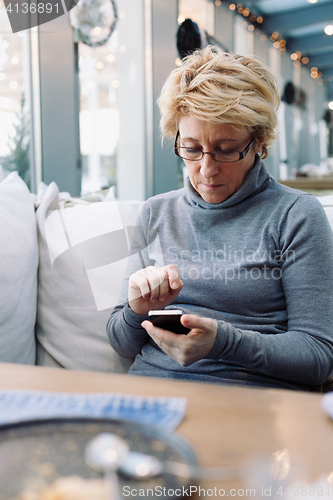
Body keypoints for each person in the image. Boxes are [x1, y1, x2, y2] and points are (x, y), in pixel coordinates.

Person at [107, 46, 333, 391]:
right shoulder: (155, 212)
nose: (207, 169)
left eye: (227, 149)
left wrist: (223, 342)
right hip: (151, 394)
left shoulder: (296, 214)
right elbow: (121, 343)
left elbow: (317, 357)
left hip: (253, 404)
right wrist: (135, 310)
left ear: (258, 142)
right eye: (192, 149)